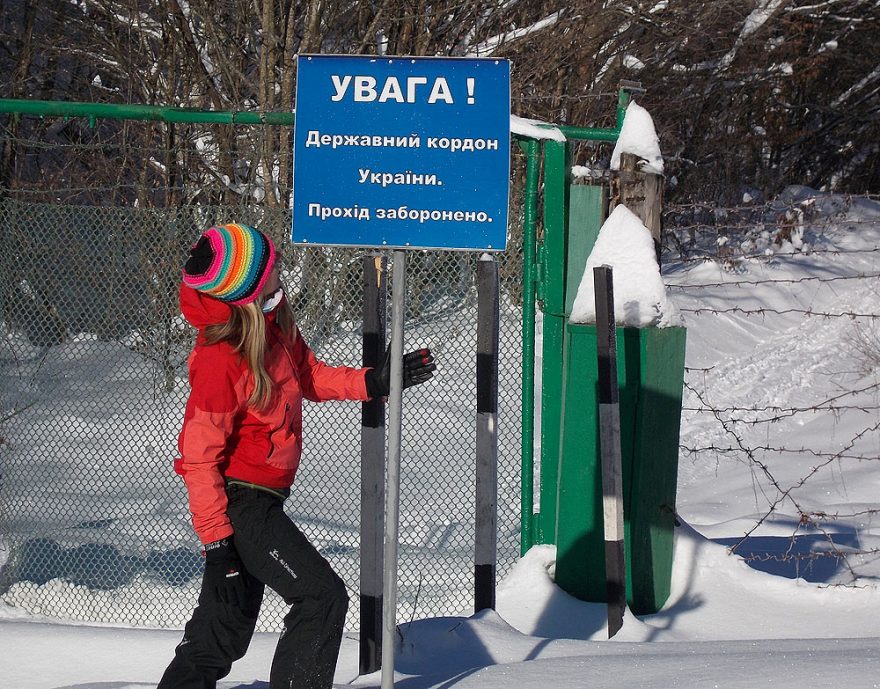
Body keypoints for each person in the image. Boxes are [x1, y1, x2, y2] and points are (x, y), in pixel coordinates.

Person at [157, 223, 436, 689]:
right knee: (321, 597)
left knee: (221, 632)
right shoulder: (219, 357)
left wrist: (373, 382)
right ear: (245, 285)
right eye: (270, 262)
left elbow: (307, 374)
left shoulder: (271, 316)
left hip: (261, 500)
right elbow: (200, 458)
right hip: (239, 505)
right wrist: (217, 545)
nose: (280, 261)